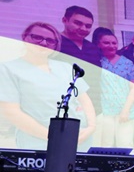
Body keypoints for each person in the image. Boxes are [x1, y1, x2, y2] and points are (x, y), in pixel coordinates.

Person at [0, 22, 96, 152]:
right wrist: (52, 136)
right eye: (37, 37)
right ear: (25, 37)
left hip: (79, 138)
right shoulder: (7, 69)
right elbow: (12, 113)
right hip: (39, 140)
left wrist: (91, 127)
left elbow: (85, 99)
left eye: (50, 40)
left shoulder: (66, 68)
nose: (44, 43)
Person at [93, 27, 134, 148]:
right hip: (105, 111)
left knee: (125, 144)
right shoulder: (97, 62)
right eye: (106, 43)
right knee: (105, 145)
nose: (111, 46)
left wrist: (126, 110)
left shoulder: (127, 63)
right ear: (99, 44)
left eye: (114, 43)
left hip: (126, 110)